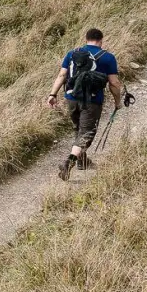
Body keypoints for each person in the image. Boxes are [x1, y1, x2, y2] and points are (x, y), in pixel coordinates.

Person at [47, 28, 124, 180]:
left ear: (86, 39)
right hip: (92, 101)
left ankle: (82, 161)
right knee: (86, 133)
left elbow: (62, 75)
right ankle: (68, 163)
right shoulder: (108, 57)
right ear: (101, 40)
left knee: (79, 129)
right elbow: (114, 83)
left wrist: (52, 94)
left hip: (71, 98)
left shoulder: (72, 53)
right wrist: (118, 102)